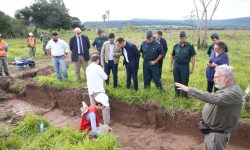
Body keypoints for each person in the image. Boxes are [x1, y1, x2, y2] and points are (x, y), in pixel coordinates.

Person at [175, 65, 243, 150]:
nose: (213, 79)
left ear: (226, 78)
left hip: (217, 135)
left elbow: (213, 98)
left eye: (216, 77)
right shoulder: (227, 87)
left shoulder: (233, 93)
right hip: (213, 131)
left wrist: (190, 90)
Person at [170, 31, 196, 97]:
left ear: (186, 38)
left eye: (183, 38)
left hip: (185, 66)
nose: (182, 39)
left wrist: (192, 68)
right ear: (179, 38)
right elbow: (172, 56)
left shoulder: (190, 46)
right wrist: (171, 66)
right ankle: (177, 94)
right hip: (176, 65)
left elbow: (193, 57)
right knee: (176, 80)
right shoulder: (175, 46)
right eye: (181, 38)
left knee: (184, 80)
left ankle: (184, 96)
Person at [86, 53, 110, 125]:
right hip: (98, 90)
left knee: (93, 108)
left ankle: (95, 123)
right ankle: (106, 124)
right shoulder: (98, 67)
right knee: (105, 107)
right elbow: (105, 77)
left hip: (91, 91)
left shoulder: (88, 68)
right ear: (97, 60)